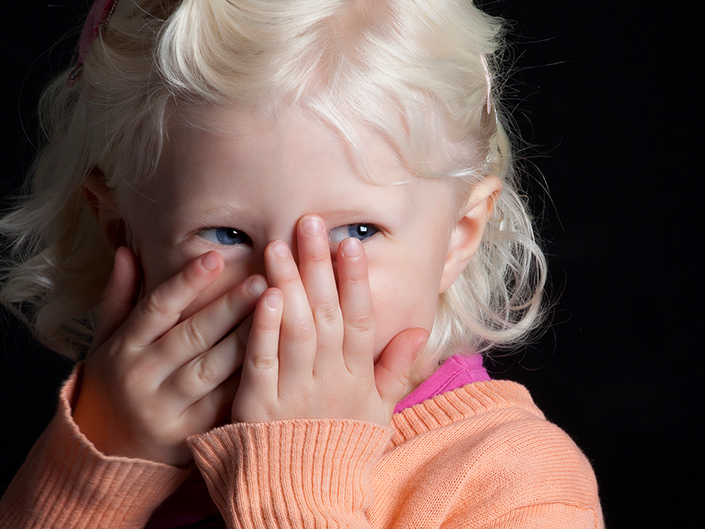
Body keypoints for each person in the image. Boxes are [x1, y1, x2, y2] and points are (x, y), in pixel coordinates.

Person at [0, 0, 603, 527]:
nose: (285, 294)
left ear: (456, 237)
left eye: (359, 232)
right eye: (227, 233)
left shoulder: (518, 483)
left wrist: (298, 478)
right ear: (119, 227)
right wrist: (97, 466)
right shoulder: (115, 437)